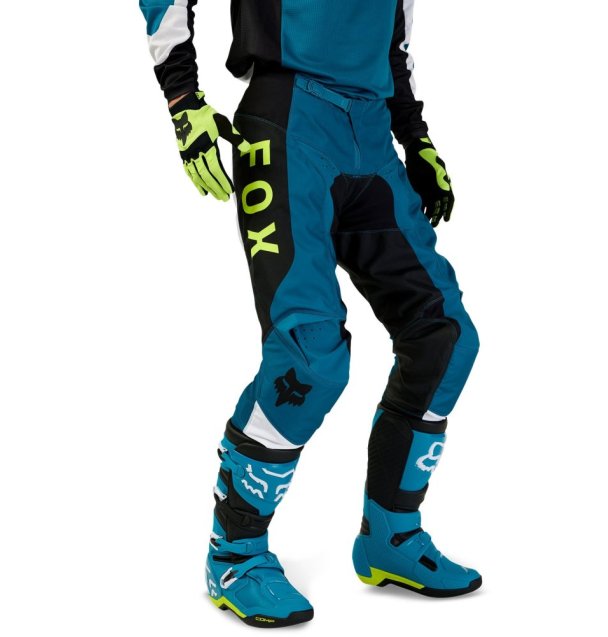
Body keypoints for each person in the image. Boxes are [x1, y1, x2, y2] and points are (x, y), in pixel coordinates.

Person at [139, 0, 482, 628]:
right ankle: (234, 553)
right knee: (310, 357)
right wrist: (184, 99)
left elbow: (395, 36)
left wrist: (416, 138)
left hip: (372, 137)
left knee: (445, 338)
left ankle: (391, 536)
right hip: (289, 123)